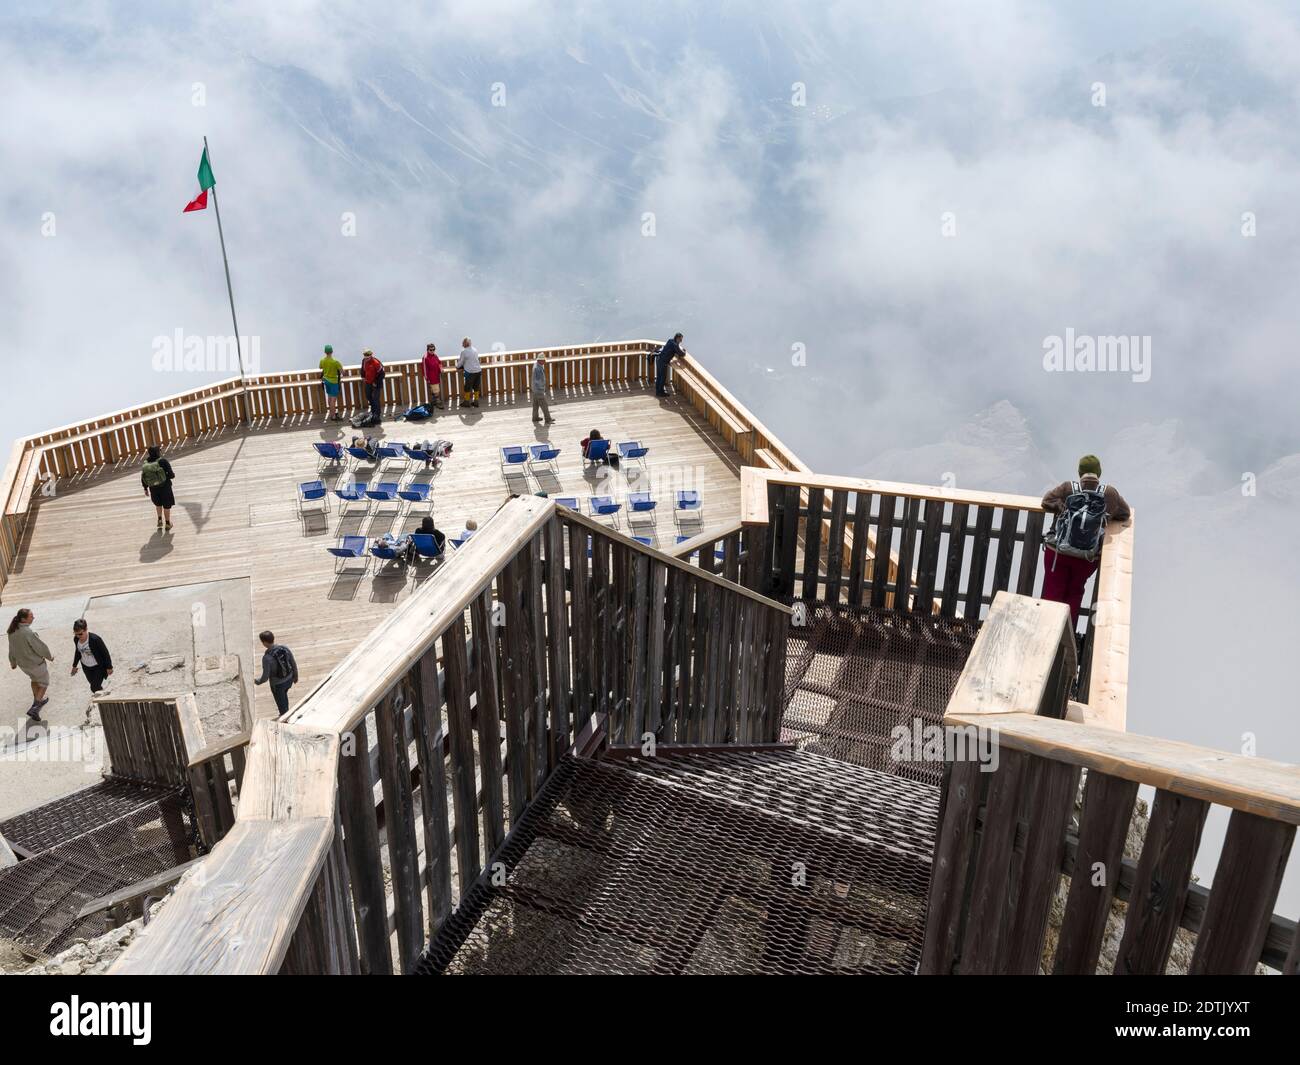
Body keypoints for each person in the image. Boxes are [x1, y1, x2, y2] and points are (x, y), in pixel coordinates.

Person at [1040, 454, 1131, 627]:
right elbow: (1125, 513)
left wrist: (1063, 508)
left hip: (1058, 552)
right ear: (1099, 473)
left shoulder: (1068, 488)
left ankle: (1045, 635)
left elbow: (1046, 501)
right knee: (1074, 593)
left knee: (1052, 593)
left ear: (1080, 472)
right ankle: (1067, 641)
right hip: (1087, 557)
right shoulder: (1109, 493)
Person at [7, 609, 53, 721]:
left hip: (24, 666)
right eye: (31, 616)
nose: (33, 618)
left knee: (34, 680)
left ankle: (37, 701)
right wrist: (49, 656)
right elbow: (40, 647)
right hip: (36, 664)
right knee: (44, 683)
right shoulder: (28, 632)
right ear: (24, 619)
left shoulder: (11, 631)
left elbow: (11, 649)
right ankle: (35, 707)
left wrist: (12, 662)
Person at [253, 630, 298, 717]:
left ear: (265, 642)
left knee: (282, 705)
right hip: (289, 679)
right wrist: (295, 676)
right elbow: (293, 662)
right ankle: (286, 711)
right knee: (284, 696)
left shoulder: (267, 658)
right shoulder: (284, 648)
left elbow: (265, 678)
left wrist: (256, 681)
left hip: (278, 685)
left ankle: (284, 717)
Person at [70, 620, 113, 694]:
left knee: (94, 687)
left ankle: (103, 697)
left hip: (98, 667)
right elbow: (77, 652)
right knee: (96, 687)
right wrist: (74, 666)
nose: (78, 636)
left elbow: (105, 653)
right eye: (76, 634)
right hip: (86, 667)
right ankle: (104, 697)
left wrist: (109, 667)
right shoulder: (76, 639)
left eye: (80, 634)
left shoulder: (95, 639)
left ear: (86, 629)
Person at [141, 445, 176, 530]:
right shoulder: (163, 461)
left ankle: (160, 519)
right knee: (166, 505)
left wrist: (145, 488)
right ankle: (167, 523)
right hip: (165, 487)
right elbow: (171, 475)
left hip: (153, 488)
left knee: (158, 504)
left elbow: (143, 477)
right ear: (158, 452)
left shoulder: (146, 463)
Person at [653, 332, 688, 396]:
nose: (681, 341)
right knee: (663, 377)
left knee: (659, 376)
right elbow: (681, 354)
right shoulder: (674, 345)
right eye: (680, 340)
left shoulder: (670, 340)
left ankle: (658, 391)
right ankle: (660, 392)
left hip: (659, 359)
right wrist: (684, 351)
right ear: (677, 338)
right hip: (663, 362)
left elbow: (675, 349)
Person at [319, 344, 343, 421]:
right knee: (333, 400)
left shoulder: (322, 360)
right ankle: (333, 416)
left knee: (329, 398)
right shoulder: (336, 362)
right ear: (332, 351)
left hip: (326, 381)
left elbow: (320, 367)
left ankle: (332, 413)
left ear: (325, 352)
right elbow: (342, 372)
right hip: (333, 382)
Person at [361, 349, 384, 422]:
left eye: (368, 357)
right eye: (365, 356)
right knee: (368, 396)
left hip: (376, 383)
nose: (366, 358)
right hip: (368, 382)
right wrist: (363, 376)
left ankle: (377, 415)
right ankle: (373, 411)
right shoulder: (364, 361)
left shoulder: (376, 363)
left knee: (376, 399)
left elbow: (382, 374)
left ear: (371, 355)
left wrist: (376, 382)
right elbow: (362, 369)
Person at [458, 337, 482, 408]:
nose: (462, 344)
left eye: (463, 343)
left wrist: (457, 366)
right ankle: (476, 401)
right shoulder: (475, 350)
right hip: (478, 370)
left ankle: (467, 402)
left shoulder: (464, 352)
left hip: (470, 372)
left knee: (467, 387)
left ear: (466, 343)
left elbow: (460, 362)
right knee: (476, 387)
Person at [531, 355, 554, 424]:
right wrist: (542, 389)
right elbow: (538, 381)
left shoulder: (536, 365)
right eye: (543, 360)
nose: (545, 361)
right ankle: (548, 419)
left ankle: (535, 418)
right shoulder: (537, 368)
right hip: (538, 390)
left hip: (535, 389)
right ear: (539, 360)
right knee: (544, 405)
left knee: (536, 404)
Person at [423, 343, 444, 409]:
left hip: (436, 375)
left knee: (434, 390)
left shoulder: (435, 355)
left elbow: (439, 362)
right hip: (431, 377)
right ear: (427, 350)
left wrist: (441, 368)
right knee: (436, 390)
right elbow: (424, 368)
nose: (432, 351)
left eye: (433, 349)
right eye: (431, 350)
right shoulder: (425, 357)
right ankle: (438, 402)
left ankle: (433, 402)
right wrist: (426, 377)